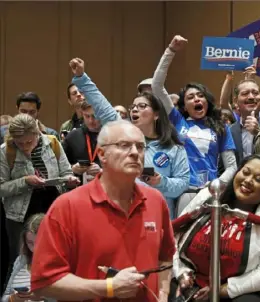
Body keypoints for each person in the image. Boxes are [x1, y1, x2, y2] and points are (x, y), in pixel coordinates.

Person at [30, 120, 176, 301]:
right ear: (101, 154)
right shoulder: (67, 207)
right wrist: (108, 288)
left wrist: (162, 294)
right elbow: (44, 282)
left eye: (140, 147)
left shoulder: (155, 201)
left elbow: (166, 258)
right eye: (124, 145)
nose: (134, 153)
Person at [69, 58, 190, 219]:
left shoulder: (173, 147)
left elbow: (182, 184)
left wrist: (161, 182)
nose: (135, 110)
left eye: (142, 106)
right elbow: (102, 105)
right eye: (133, 107)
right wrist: (82, 77)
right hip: (120, 215)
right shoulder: (123, 132)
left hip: (157, 218)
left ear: (156, 115)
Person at [172, 154, 260, 302]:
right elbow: (173, 237)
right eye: (245, 172)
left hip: (243, 290)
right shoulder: (210, 196)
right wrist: (181, 273)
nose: (248, 181)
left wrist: (221, 290)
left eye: (259, 179)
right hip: (194, 281)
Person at [151, 35, 237, 215]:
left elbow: (232, 167)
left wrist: (217, 185)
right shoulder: (177, 120)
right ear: (184, 106)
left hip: (210, 193)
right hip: (183, 192)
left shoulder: (221, 127)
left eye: (200, 95)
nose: (196, 99)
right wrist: (171, 51)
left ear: (207, 101)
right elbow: (157, 86)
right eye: (190, 97)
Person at [0, 114, 78, 264]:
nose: (25, 147)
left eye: (29, 142)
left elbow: (66, 172)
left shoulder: (52, 143)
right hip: (19, 216)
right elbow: (1, 187)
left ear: (37, 133)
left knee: (54, 256)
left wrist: (70, 180)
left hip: (51, 209)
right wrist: (25, 181)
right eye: (19, 143)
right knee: (20, 261)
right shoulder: (6, 151)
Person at [2, 214, 53, 302]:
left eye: (39, 242)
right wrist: (12, 299)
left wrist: (44, 297)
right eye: (30, 242)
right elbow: (5, 297)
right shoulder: (21, 260)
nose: (34, 249)